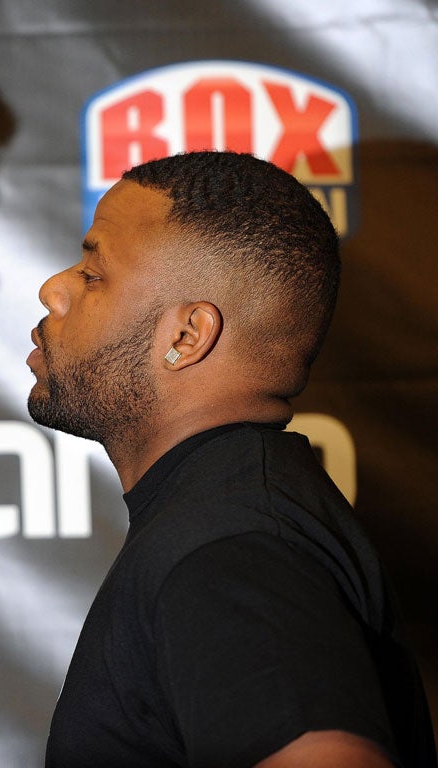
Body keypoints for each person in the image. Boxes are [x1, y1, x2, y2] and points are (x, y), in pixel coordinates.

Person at [27, 151, 436, 768]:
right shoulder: (230, 510)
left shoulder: (229, 543)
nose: (52, 290)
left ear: (187, 336)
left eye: (93, 273)